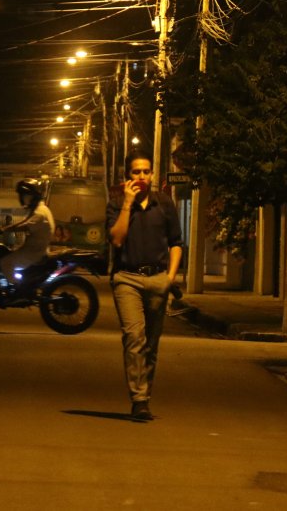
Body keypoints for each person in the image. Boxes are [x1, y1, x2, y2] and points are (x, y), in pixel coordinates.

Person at [106, 153, 183, 421]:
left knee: (151, 343)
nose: (141, 177)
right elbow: (116, 240)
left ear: (152, 175)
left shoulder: (164, 204)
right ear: (127, 177)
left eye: (146, 172)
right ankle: (139, 399)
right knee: (134, 337)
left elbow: (176, 242)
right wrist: (127, 203)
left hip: (158, 279)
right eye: (135, 172)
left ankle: (145, 396)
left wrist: (170, 277)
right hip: (127, 279)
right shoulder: (117, 204)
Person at [0, 178, 55, 295]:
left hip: (34, 252)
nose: (21, 198)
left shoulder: (40, 213)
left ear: (32, 195)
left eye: (24, 195)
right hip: (34, 249)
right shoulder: (39, 209)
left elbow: (24, 226)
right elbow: (23, 223)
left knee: (5, 263)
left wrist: (2, 230)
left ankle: (18, 291)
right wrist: (2, 229)